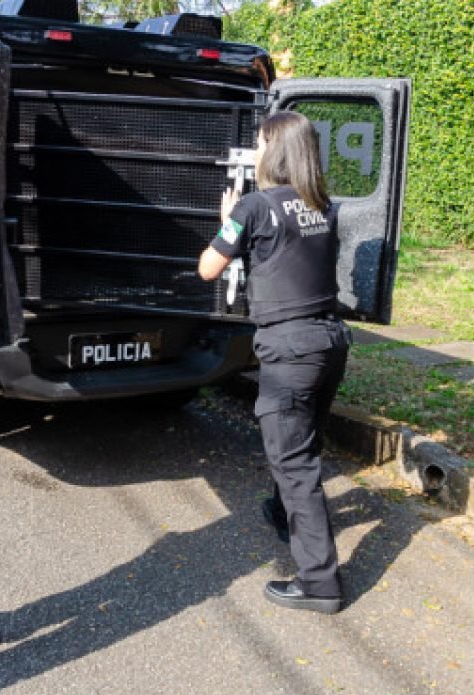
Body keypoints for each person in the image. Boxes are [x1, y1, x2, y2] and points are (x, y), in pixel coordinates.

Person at [198, 111, 351, 614]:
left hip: (289, 350)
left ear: (277, 150)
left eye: (262, 143)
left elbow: (208, 269)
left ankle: (320, 583)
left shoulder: (254, 206)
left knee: (295, 463)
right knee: (304, 441)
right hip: (330, 342)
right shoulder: (324, 206)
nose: (257, 151)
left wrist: (228, 224)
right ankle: (282, 512)